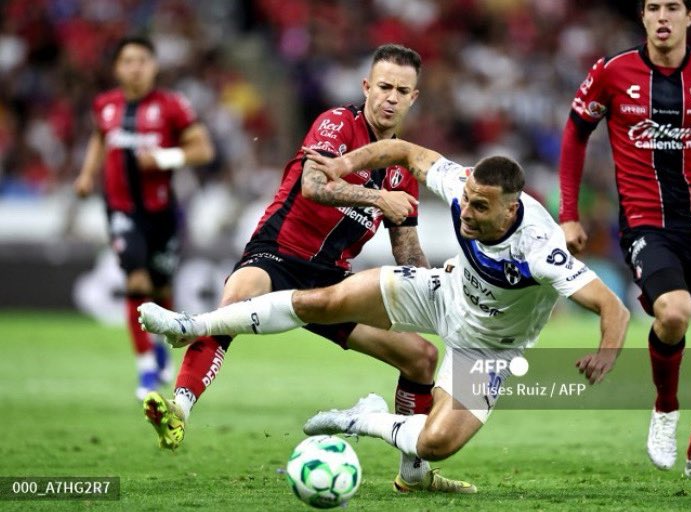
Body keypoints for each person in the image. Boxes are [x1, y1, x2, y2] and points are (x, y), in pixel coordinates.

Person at [136, 138, 629, 483]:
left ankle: (364, 418)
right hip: (443, 292)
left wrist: (607, 354)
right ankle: (190, 325)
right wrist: (341, 166)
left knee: (436, 444)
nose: (469, 212)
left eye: (482, 208)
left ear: (511, 209)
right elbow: (405, 151)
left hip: (489, 349)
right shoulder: (462, 185)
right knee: (322, 301)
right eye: (469, 201)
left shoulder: (541, 249)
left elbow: (613, 307)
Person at [141, 44, 474, 493]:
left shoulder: (402, 173)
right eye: (383, 87)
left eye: (402, 90)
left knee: (421, 357)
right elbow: (313, 185)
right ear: (366, 87)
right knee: (237, 297)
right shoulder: (337, 124)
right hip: (278, 254)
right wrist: (377, 199)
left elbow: (408, 253)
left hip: (333, 280)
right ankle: (179, 410)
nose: (390, 98)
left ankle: (413, 474)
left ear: (414, 98)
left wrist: (440, 288)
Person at [558, 0, 691, 481]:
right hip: (646, 225)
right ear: (644, 17)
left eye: (673, 6)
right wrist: (568, 215)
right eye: (654, 7)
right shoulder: (612, 72)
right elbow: (574, 136)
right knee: (673, 312)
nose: (663, 16)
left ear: (690, 17)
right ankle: (665, 410)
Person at [73, 36, 215, 400]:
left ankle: (160, 349)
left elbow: (203, 149)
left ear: (154, 66)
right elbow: (99, 139)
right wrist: (88, 175)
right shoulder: (105, 106)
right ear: (117, 68)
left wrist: (165, 159)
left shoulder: (172, 106)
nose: (135, 67)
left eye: (142, 60)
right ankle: (146, 369)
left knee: (160, 287)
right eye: (128, 61)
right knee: (136, 282)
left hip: (163, 212)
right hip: (122, 210)